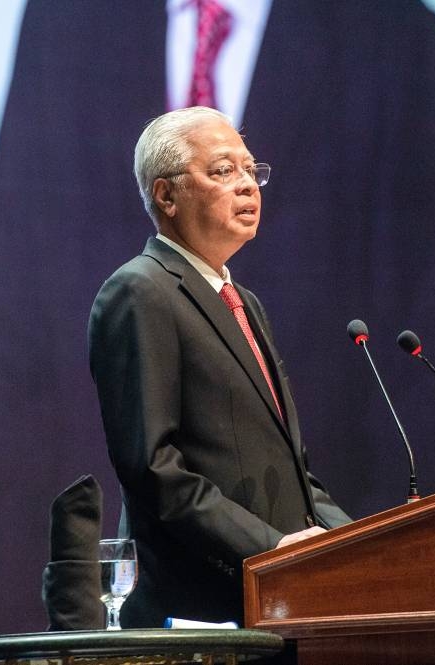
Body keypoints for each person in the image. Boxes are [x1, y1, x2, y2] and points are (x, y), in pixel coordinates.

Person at [88, 107, 353, 627]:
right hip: (201, 611)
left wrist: (356, 541)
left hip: (278, 599)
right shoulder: (141, 291)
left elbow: (292, 473)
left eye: (251, 170)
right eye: (224, 170)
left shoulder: (243, 302)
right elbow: (154, 469)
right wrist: (270, 549)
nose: (248, 185)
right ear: (166, 195)